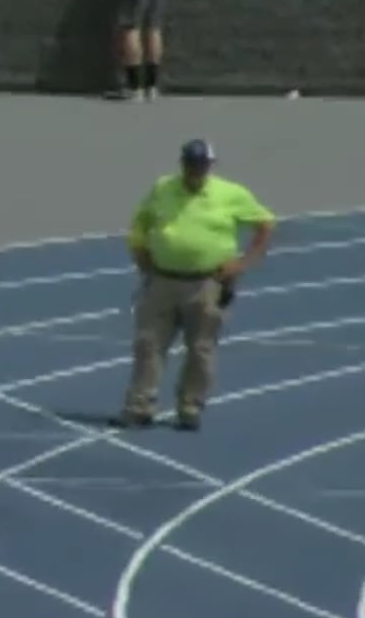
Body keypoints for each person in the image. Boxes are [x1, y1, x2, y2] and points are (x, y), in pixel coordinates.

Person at [115, 139, 275, 431]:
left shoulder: (230, 193)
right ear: (183, 164)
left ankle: (190, 407)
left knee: (201, 349)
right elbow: (140, 225)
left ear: (210, 166)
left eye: (202, 165)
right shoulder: (162, 188)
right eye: (191, 164)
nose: (196, 170)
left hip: (207, 283)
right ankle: (139, 406)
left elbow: (265, 223)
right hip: (162, 279)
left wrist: (243, 263)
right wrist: (142, 259)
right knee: (148, 344)